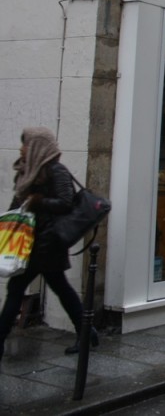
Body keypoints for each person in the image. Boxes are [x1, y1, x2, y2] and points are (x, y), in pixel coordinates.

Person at [0, 127, 98, 364]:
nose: (22, 148)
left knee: (18, 289)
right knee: (58, 288)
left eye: (26, 143)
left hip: (48, 243)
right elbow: (19, 204)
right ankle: (88, 334)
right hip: (31, 240)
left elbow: (66, 203)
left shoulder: (57, 171)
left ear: (38, 146)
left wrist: (38, 201)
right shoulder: (28, 170)